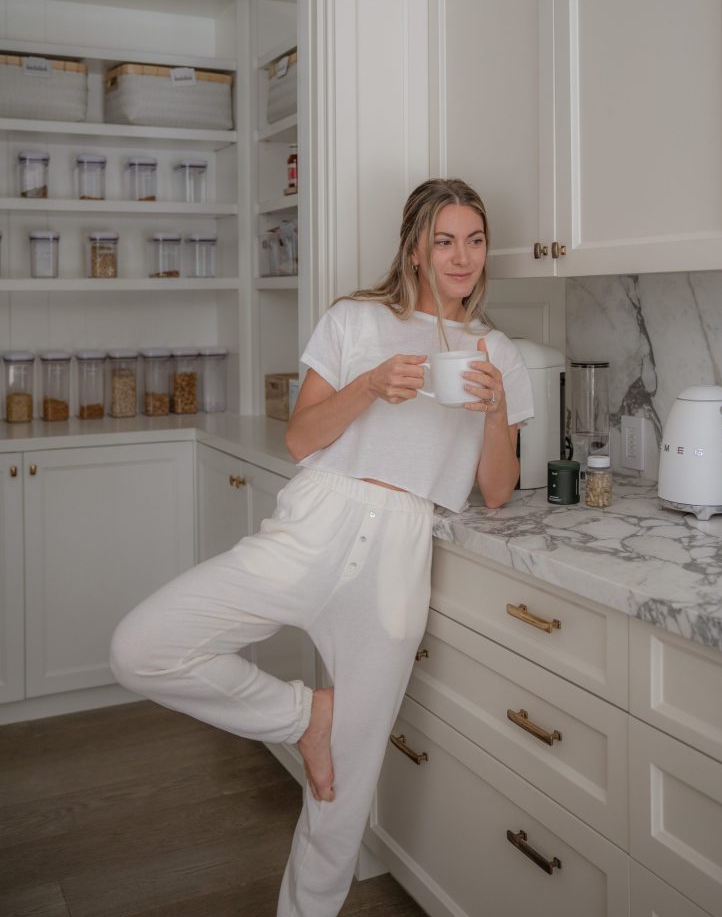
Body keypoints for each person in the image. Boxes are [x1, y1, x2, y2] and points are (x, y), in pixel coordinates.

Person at [109, 177, 534, 917]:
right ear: (412, 248)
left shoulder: (496, 351)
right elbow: (302, 437)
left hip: (399, 553)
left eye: (473, 240)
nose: (461, 257)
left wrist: (496, 413)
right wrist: (369, 385)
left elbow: (496, 490)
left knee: (344, 792)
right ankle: (304, 716)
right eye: (443, 240)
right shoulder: (354, 321)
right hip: (317, 521)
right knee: (141, 647)